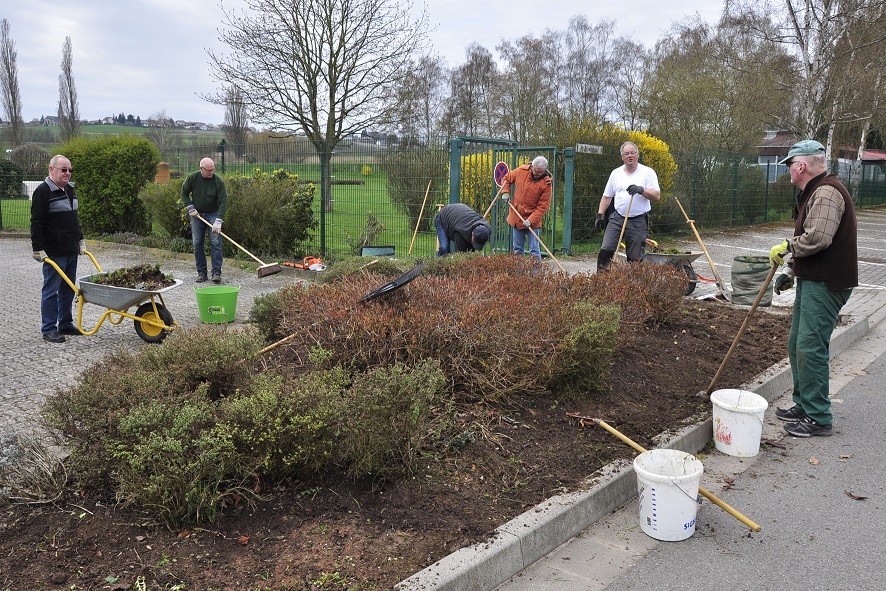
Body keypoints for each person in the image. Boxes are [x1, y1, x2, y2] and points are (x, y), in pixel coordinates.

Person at [770, 139, 858, 438]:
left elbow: (818, 238)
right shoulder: (815, 191)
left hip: (827, 282)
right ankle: (804, 405)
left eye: (789, 166)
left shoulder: (827, 192)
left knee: (811, 346)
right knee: (797, 344)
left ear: (801, 166)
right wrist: (791, 269)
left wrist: (786, 247)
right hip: (813, 278)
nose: (789, 172)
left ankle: (819, 417)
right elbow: (813, 243)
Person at [30, 154, 85, 344]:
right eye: (63, 169)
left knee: (68, 290)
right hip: (54, 251)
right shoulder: (42, 192)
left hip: (70, 249)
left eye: (70, 170)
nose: (67, 173)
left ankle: (65, 323)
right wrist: (38, 249)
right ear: (51, 170)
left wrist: (80, 240)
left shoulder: (70, 189)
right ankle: (48, 328)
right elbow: (36, 222)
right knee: (51, 290)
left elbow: (74, 219)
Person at [594, 141, 661, 271]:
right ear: (622, 157)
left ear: (637, 155)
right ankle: (601, 283)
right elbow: (607, 196)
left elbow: (657, 196)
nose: (630, 156)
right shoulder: (616, 173)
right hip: (617, 218)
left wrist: (642, 190)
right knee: (606, 249)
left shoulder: (648, 172)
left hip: (638, 220)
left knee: (635, 257)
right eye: (626, 154)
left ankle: (632, 286)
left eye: (632, 153)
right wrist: (600, 215)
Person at [180, 157, 227, 283]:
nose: (211, 172)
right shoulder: (193, 178)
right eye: (208, 170)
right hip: (197, 215)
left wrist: (219, 220)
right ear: (201, 169)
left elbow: (223, 201)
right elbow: (184, 193)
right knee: (197, 244)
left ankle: (216, 273)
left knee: (216, 244)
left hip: (213, 214)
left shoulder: (218, 182)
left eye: (213, 170)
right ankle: (202, 273)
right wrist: (190, 206)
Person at [499, 155, 552, 261]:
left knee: (534, 250)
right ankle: (519, 275)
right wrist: (505, 192)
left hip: (533, 220)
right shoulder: (521, 171)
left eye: (541, 172)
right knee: (517, 250)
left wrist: (530, 220)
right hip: (517, 216)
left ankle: (535, 275)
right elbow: (507, 179)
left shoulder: (546, 184)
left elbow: (543, 207)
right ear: (532, 167)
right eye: (537, 171)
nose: (539, 174)